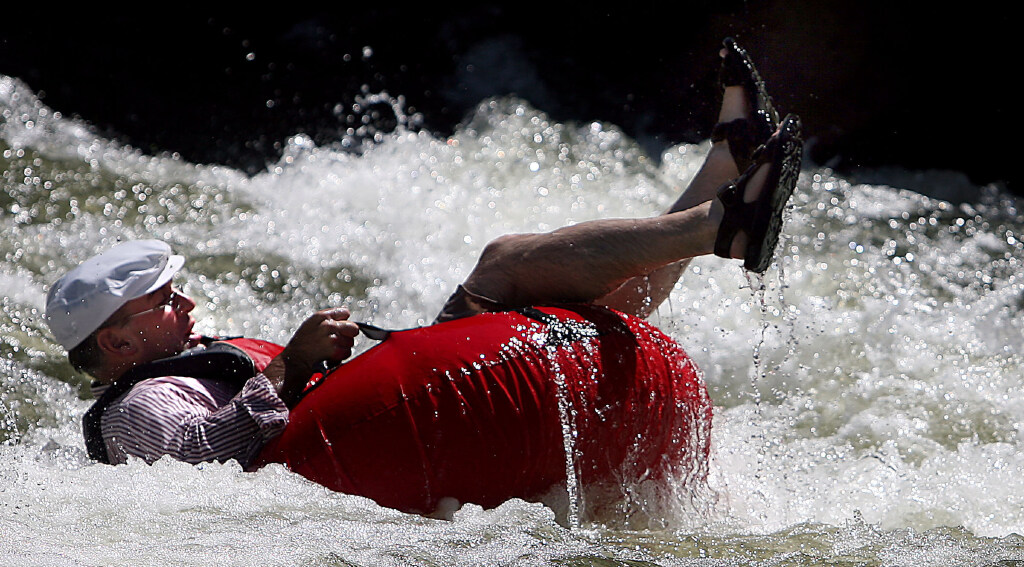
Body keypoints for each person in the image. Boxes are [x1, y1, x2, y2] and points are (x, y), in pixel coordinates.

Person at [44, 38, 803, 470]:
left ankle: (721, 178)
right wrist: (286, 366)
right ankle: (717, 222)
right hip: (358, 450)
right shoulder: (137, 406)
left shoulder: (182, 361)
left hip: (369, 421)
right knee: (503, 262)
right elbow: (198, 462)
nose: (186, 303)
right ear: (115, 339)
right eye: (163, 301)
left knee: (578, 301)